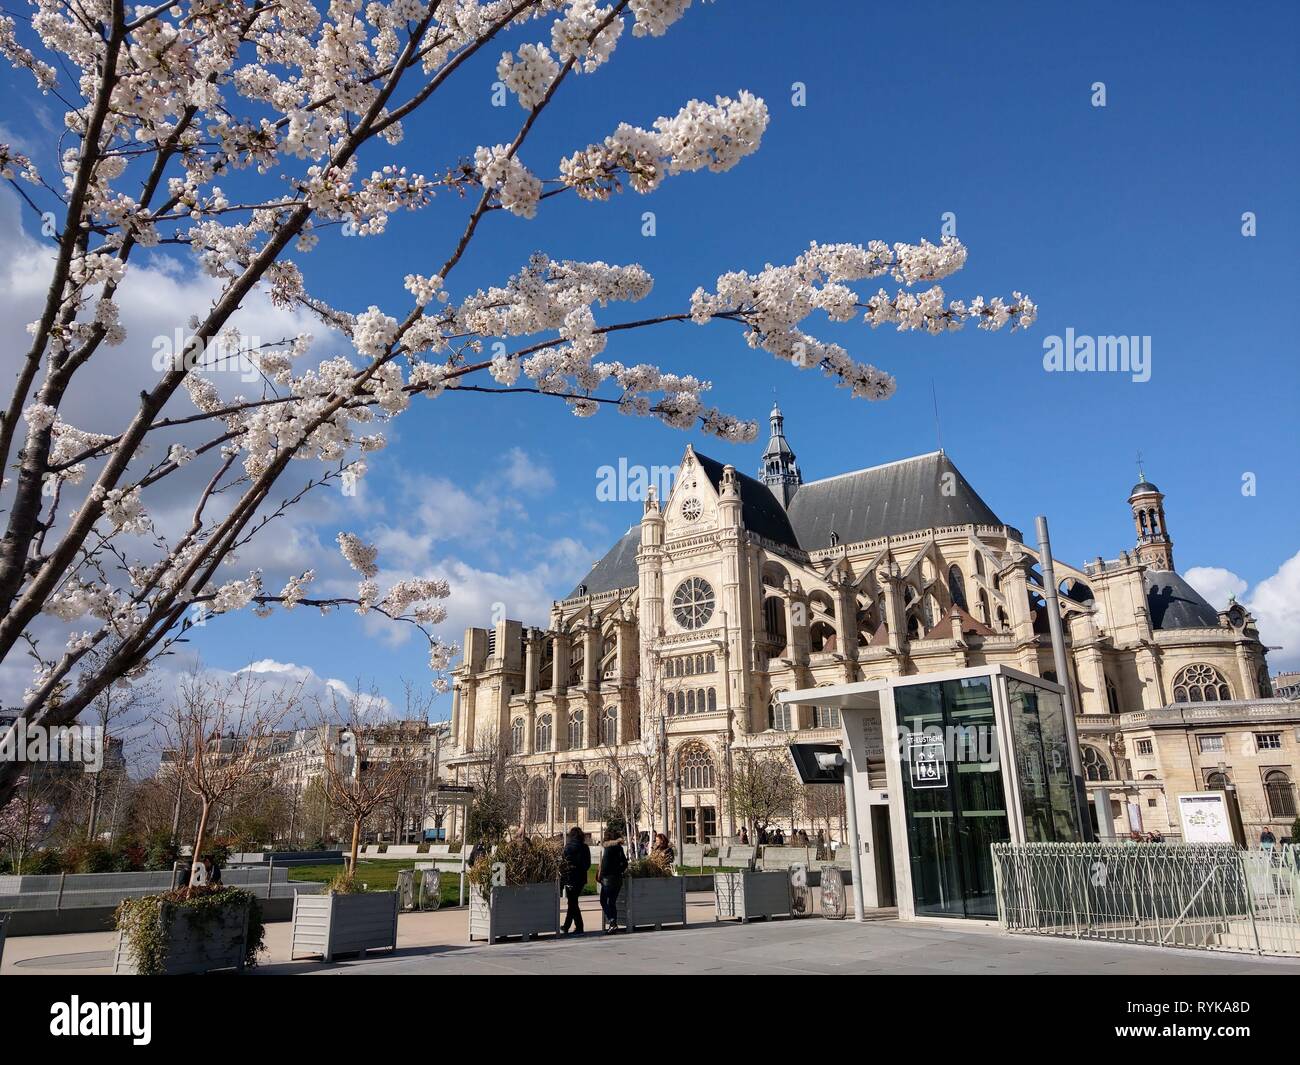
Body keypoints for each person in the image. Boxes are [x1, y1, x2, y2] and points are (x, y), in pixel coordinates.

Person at [561, 827, 591, 935]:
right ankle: (566, 925)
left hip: (571, 878)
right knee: (572, 902)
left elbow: (564, 864)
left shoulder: (568, 847)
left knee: (573, 903)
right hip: (581, 878)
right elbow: (588, 864)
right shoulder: (585, 847)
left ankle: (579, 926)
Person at [597, 830, 628, 933]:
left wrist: (601, 877)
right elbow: (625, 863)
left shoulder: (608, 848)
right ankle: (613, 924)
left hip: (608, 880)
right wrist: (618, 871)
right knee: (612, 902)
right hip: (618, 879)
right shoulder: (619, 848)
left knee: (603, 901)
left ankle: (612, 921)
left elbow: (605, 865)